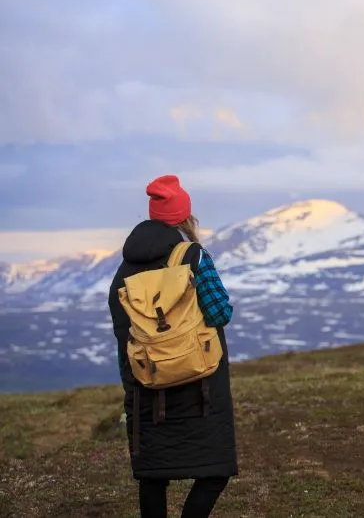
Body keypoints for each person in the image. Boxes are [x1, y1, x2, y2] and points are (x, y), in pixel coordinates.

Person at [108, 174, 238, 518]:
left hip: (147, 382)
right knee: (215, 470)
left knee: (154, 475)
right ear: (184, 216)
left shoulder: (125, 269)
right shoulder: (192, 257)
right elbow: (219, 313)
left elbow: (124, 331)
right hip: (199, 384)